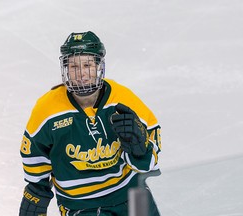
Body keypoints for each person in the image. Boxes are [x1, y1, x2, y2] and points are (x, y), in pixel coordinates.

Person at [19, 31, 162, 216]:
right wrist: (36, 193)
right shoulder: (47, 109)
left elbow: (150, 162)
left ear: (98, 66)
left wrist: (139, 148)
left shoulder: (123, 99)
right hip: (81, 205)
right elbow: (35, 156)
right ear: (65, 68)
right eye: (73, 66)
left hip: (132, 193)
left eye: (87, 65)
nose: (81, 73)